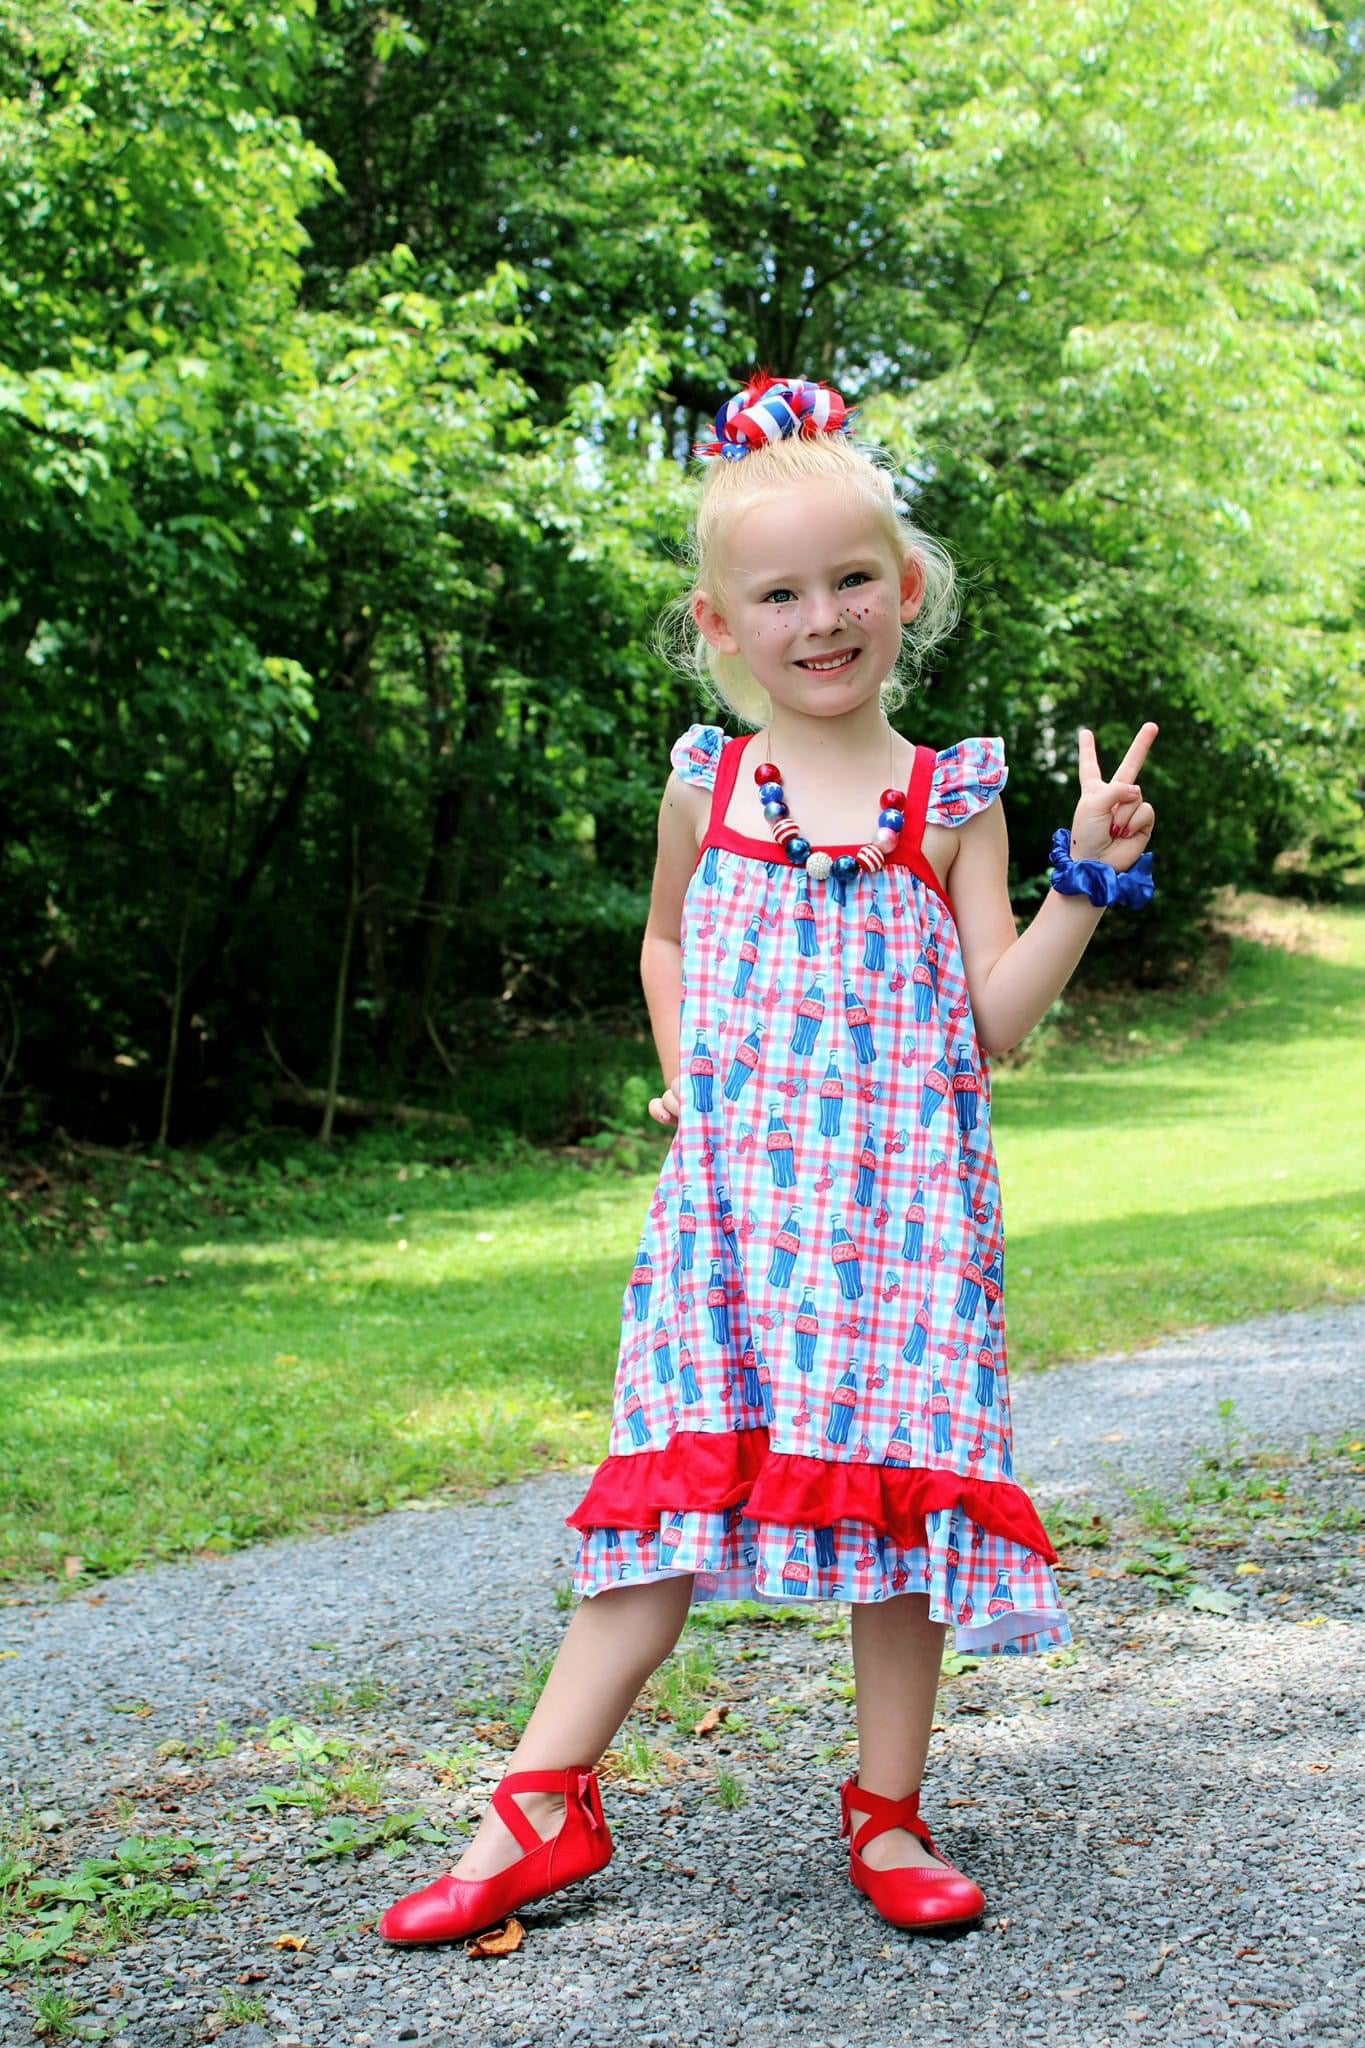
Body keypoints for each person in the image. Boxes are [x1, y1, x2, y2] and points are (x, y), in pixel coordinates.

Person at [379, 371, 1157, 1947]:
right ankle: (536, 1804)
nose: (821, 616)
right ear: (719, 623)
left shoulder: (951, 798)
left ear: (906, 591)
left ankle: (887, 1812)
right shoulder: (706, 783)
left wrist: (1086, 879)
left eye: (850, 579)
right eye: (780, 592)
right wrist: (687, 1082)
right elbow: (666, 943)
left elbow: (990, 1020)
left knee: (896, 1508)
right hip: (736, 1218)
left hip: (902, 1223)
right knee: (666, 1489)